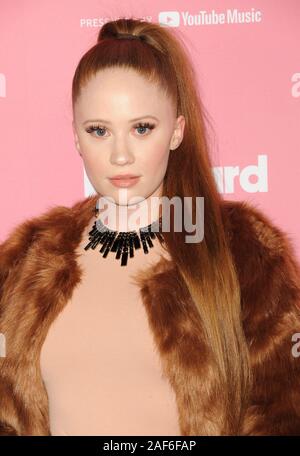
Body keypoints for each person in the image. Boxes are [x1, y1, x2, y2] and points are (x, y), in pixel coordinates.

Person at [0, 17, 300, 436]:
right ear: (75, 137)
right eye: (99, 131)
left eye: (142, 128)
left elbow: (284, 413)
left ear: (176, 131)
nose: (121, 155)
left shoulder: (242, 251)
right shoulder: (28, 259)